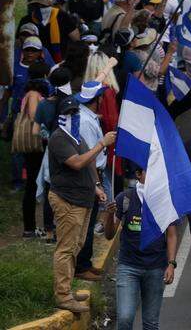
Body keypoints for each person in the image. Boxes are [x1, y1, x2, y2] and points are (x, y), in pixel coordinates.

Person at [48, 95, 114, 313]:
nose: (73, 116)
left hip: (83, 199)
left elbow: (89, 163)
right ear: (61, 116)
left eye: (75, 112)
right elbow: (77, 163)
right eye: (69, 114)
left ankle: (66, 289)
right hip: (68, 200)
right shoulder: (59, 138)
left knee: (76, 246)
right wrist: (101, 144)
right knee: (66, 249)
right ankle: (63, 296)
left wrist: (96, 186)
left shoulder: (76, 137)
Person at [105, 162, 177, 330]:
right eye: (149, 172)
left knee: (151, 324)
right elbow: (109, 235)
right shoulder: (124, 199)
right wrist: (109, 215)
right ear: (138, 174)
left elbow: (172, 234)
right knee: (124, 318)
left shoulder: (164, 200)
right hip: (128, 267)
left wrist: (171, 264)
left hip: (156, 268)